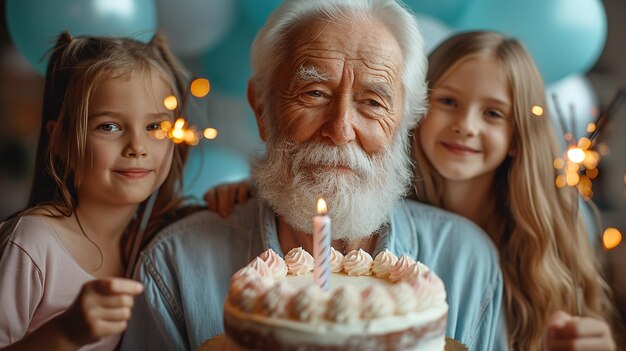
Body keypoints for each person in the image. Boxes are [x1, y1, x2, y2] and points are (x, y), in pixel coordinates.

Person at [120, 1, 508, 350]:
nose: (340, 129)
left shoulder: (466, 263)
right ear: (262, 109)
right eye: (314, 93)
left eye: (372, 102)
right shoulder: (175, 265)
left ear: (404, 122)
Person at [207, 30, 620, 350]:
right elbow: (317, 186)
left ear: (517, 136)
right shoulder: (380, 207)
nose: (466, 126)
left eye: (493, 113)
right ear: (413, 111)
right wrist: (257, 192)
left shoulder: (556, 219)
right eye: (449, 102)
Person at [0, 31, 190, 350]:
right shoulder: (32, 245)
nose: (137, 147)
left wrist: (229, 196)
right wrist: (65, 333)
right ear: (59, 140)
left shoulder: (149, 240)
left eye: (155, 127)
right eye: (109, 126)